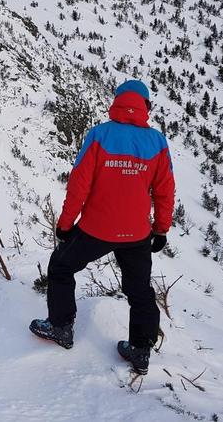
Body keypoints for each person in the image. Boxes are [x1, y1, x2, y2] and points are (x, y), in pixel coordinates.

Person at [30, 79, 175, 375]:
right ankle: (140, 350)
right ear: (145, 106)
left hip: (96, 229)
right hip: (136, 234)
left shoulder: (99, 135)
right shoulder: (157, 142)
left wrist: (66, 223)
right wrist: (161, 229)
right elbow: (165, 190)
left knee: (61, 266)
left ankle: (61, 327)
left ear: (117, 102)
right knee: (140, 291)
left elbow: (79, 184)